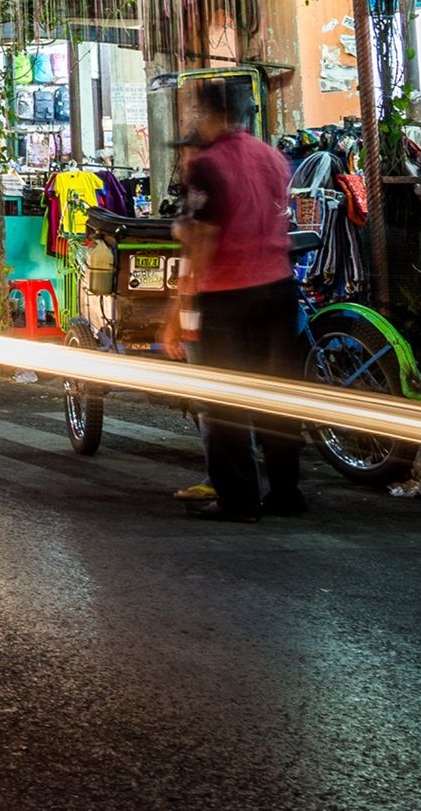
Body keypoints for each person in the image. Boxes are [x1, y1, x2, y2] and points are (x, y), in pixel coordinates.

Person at [170, 79, 303, 521]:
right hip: (279, 290)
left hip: (228, 297)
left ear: (208, 114)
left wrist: (177, 310)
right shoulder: (273, 158)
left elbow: (203, 239)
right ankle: (285, 493)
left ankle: (239, 500)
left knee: (224, 400)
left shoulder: (208, 165)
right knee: (276, 397)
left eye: (196, 112)